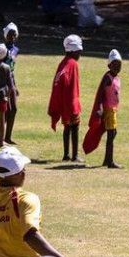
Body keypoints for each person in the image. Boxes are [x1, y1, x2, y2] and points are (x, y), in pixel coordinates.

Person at [49, 35, 83, 163]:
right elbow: (70, 84)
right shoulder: (73, 64)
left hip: (65, 102)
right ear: (73, 51)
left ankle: (66, 155)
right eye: (79, 51)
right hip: (71, 102)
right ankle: (74, 156)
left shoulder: (63, 63)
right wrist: (73, 103)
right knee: (75, 127)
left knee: (67, 127)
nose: (80, 53)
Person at [94, 49, 123, 169]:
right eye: (114, 64)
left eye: (119, 64)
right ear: (109, 65)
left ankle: (107, 159)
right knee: (111, 134)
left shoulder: (116, 77)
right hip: (109, 109)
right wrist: (100, 107)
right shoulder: (108, 77)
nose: (117, 67)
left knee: (113, 133)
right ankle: (110, 161)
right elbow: (101, 93)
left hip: (113, 109)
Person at [2, 22, 20, 144]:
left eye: (14, 35)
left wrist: (15, 85)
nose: (12, 37)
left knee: (13, 109)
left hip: (11, 81)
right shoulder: (1, 49)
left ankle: (7, 137)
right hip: (3, 82)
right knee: (4, 110)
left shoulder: (16, 50)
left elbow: (12, 69)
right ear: (5, 35)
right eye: (10, 35)